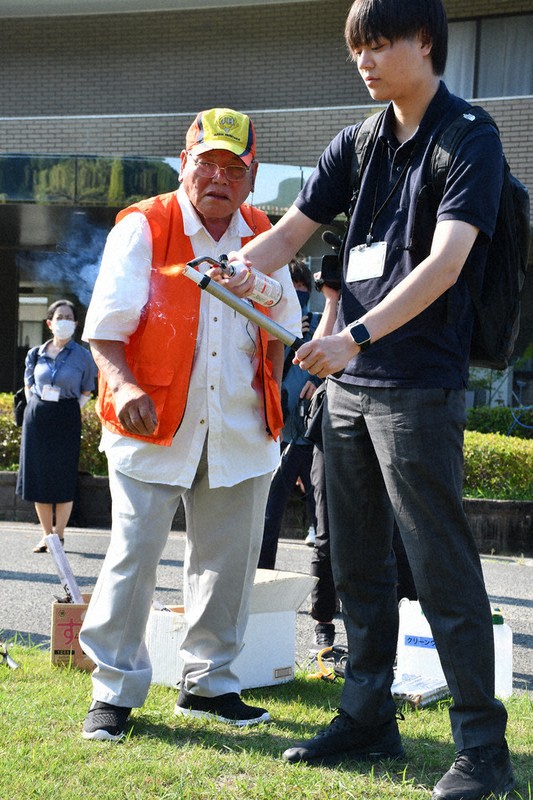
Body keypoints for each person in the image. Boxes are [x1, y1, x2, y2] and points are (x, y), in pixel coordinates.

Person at [226, 3, 515, 798]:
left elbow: (448, 261)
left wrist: (354, 337)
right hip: (346, 388)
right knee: (355, 558)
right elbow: (289, 232)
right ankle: (365, 717)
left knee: (439, 564)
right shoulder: (357, 141)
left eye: (379, 43)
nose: (364, 60)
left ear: (424, 42)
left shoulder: (469, 137)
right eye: (357, 46)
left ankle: (481, 750)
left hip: (417, 384)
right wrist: (236, 266)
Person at [78, 108, 301, 741]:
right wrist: (121, 385)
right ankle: (113, 692)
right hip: (154, 423)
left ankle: (209, 684)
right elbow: (105, 330)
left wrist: (256, 282)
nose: (220, 179)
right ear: (185, 166)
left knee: (228, 564)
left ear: (253, 178)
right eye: (208, 164)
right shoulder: (145, 227)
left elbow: (288, 319)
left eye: (235, 168)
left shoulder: (265, 231)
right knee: (133, 555)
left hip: (240, 426)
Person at [16, 299, 96, 553]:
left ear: (75, 324)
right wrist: (34, 405)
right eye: (59, 317)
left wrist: (70, 409)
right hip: (38, 416)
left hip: (66, 415)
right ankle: (46, 535)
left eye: (68, 317)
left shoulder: (83, 356)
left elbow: (87, 389)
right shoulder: (35, 353)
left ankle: (59, 536)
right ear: (50, 323)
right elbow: (29, 383)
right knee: (38, 475)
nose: (64, 321)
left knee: (62, 474)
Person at [258, 258, 320, 571]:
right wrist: (287, 339)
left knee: (322, 512)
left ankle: (324, 592)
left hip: (314, 433)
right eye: (293, 292)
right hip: (280, 432)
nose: (300, 297)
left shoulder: (322, 322)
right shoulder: (270, 324)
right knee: (269, 511)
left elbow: (333, 369)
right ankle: (260, 576)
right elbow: (270, 374)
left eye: (304, 291)